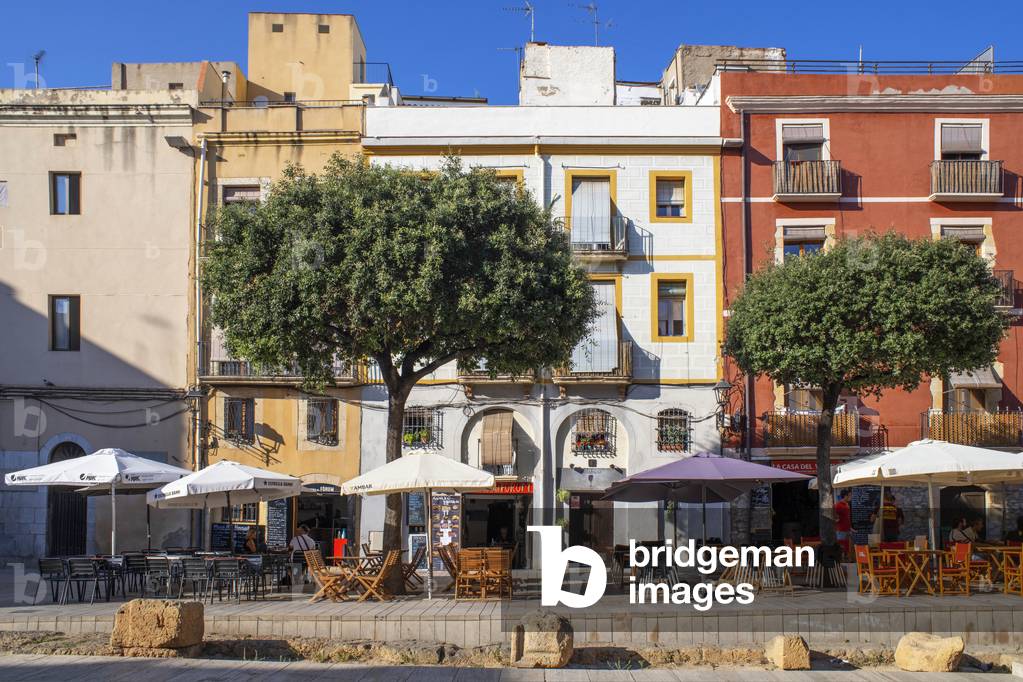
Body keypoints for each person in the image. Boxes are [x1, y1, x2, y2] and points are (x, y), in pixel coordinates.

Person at [834, 489, 852, 557]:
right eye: (849, 495)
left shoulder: (847, 504)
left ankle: (846, 558)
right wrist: (836, 519)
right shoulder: (838, 505)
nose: (850, 497)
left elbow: (847, 517)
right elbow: (833, 514)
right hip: (841, 529)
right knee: (841, 545)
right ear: (845, 496)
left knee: (847, 545)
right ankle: (840, 559)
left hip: (847, 528)